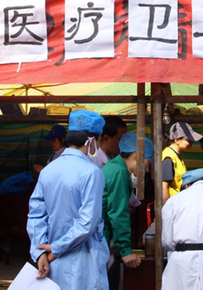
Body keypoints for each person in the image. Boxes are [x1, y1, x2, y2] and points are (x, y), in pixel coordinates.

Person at [27, 109, 109, 290]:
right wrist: (55, 250)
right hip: (83, 262)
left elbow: (35, 215)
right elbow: (88, 222)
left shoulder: (48, 170)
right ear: (93, 140)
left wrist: (39, 252)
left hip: (50, 262)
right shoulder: (92, 172)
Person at [102, 133, 142, 290]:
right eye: (148, 163)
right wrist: (125, 251)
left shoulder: (112, 167)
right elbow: (118, 214)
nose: (146, 169)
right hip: (101, 237)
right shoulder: (120, 172)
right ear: (138, 156)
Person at [162, 122, 202, 205]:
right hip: (173, 204)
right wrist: (166, 208)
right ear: (177, 140)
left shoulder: (177, 155)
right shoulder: (168, 156)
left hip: (179, 202)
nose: (191, 143)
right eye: (189, 140)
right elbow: (163, 186)